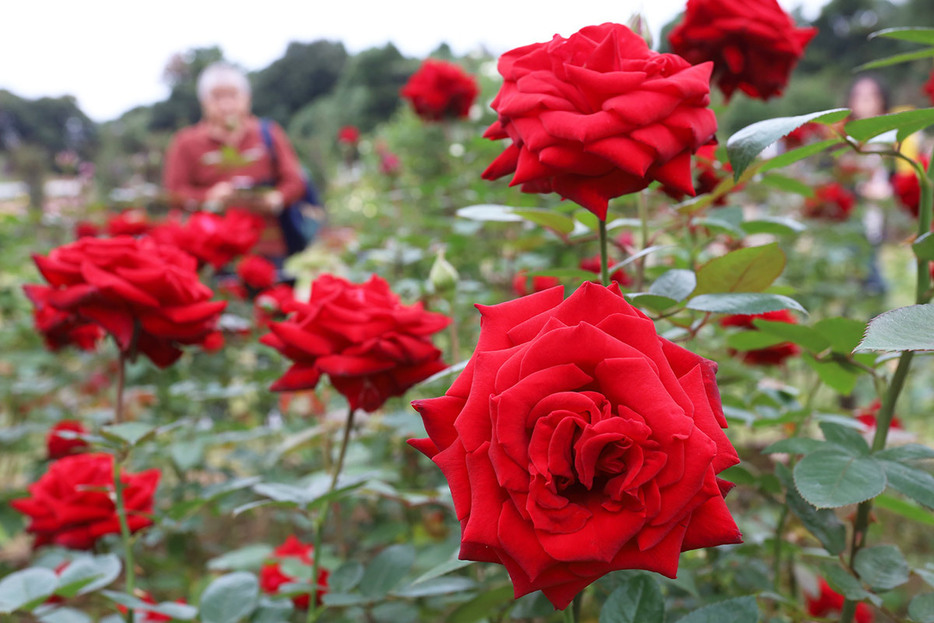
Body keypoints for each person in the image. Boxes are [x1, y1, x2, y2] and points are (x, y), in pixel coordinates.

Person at [162, 61, 316, 264]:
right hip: (213, 250)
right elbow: (174, 194)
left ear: (247, 99)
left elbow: (295, 182)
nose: (226, 104)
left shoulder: (268, 133)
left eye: (233, 95)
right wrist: (208, 197)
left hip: (268, 245)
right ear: (204, 103)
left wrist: (275, 198)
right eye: (217, 97)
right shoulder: (186, 142)